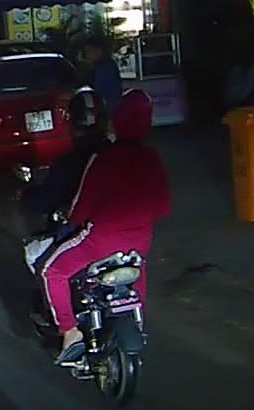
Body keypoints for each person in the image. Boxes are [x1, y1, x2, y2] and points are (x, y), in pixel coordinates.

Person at [40, 89, 170, 362]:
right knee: (139, 269)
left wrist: (71, 217)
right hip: (140, 241)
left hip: (99, 241)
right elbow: (163, 207)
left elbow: (80, 209)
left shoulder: (104, 159)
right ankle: (137, 322)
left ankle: (70, 331)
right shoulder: (153, 159)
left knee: (53, 271)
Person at [21, 88, 107, 271]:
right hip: (128, 237)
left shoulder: (69, 164)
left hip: (87, 236)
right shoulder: (124, 154)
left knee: (41, 262)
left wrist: (26, 195)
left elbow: (45, 200)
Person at [80, 37, 123, 119]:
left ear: (98, 51)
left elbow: (110, 96)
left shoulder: (105, 69)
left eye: (89, 51)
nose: (88, 55)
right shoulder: (101, 67)